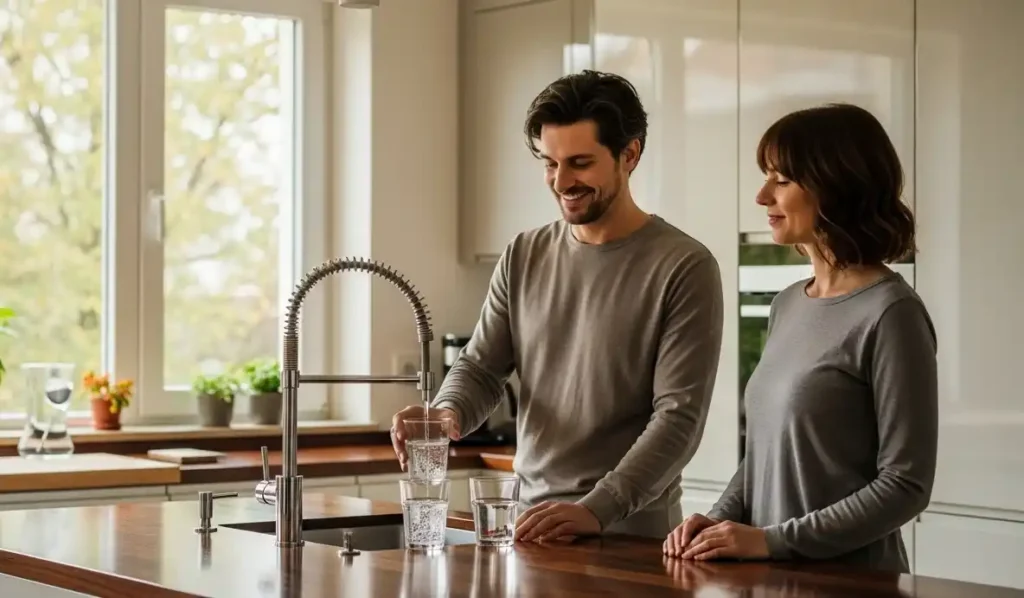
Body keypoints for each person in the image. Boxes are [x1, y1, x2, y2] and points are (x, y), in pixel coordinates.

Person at [390, 70, 724, 541]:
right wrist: (446, 414)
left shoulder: (684, 266)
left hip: (631, 538)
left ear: (630, 155)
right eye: (549, 163)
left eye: (580, 163)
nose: (561, 181)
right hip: (531, 530)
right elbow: (483, 369)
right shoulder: (524, 254)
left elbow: (678, 419)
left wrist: (596, 509)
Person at [663, 103, 938, 573]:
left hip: (852, 582)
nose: (762, 196)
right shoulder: (787, 303)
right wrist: (716, 520)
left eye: (782, 180)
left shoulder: (892, 314)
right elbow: (766, 455)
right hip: (774, 579)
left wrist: (770, 542)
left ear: (835, 185)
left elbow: (905, 485)